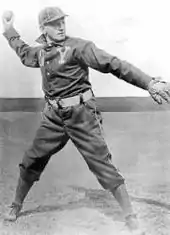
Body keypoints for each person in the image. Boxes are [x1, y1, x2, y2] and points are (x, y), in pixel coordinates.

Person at [2, 6, 170, 234]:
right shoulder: (41, 52)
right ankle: (16, 205)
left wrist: (148, 82)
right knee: (31, 160)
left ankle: (130, 215)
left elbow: (114, 64)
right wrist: (10, 29)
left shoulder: (80, 47)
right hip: (53, 117)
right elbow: (23, 52)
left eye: (62, 22)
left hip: (82, 116)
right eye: (54, 23)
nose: (61, 26)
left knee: (102, 164)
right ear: (43, 28)